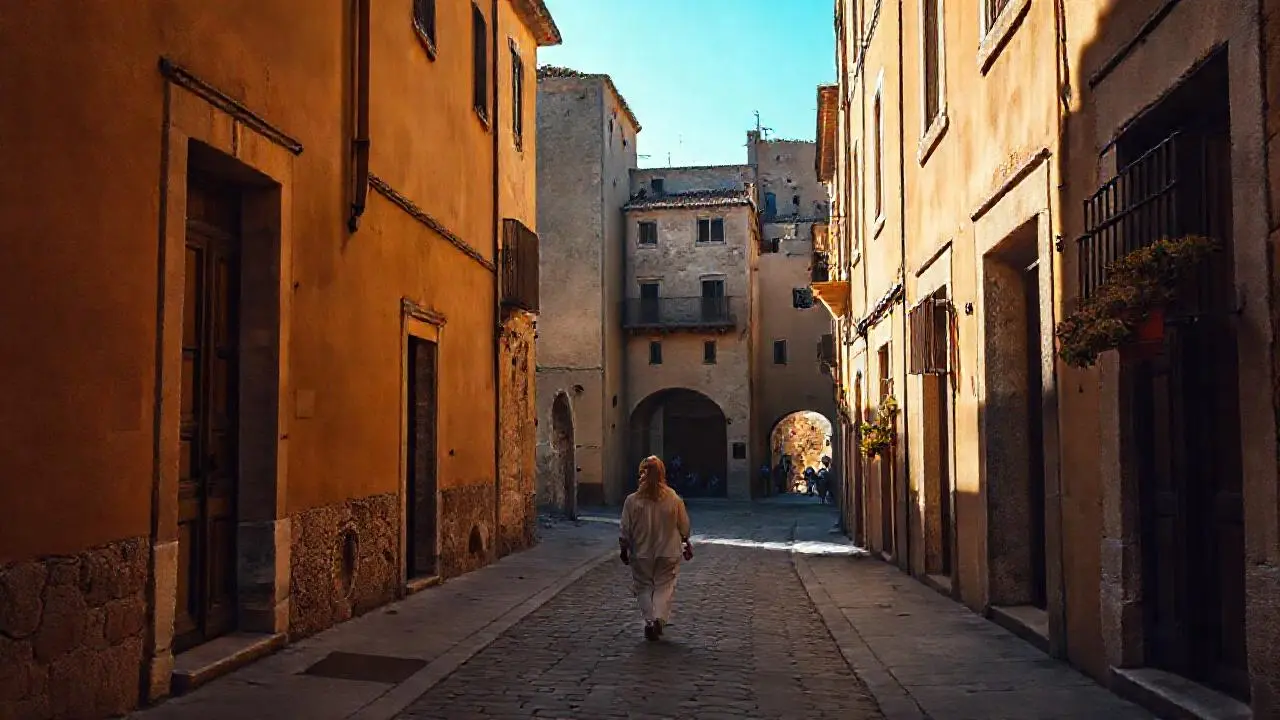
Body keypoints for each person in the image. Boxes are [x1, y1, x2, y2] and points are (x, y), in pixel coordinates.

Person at [619, 455, 693, 641]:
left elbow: (625, 529)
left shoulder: (632, 501)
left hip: (641, 552)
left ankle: (650, 621)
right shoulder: (673, 498)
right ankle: (659, 617)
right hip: (668, 551)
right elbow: (684, 526)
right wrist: (686, 542)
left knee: (643, 586)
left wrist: (624, 549)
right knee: (664, 585)